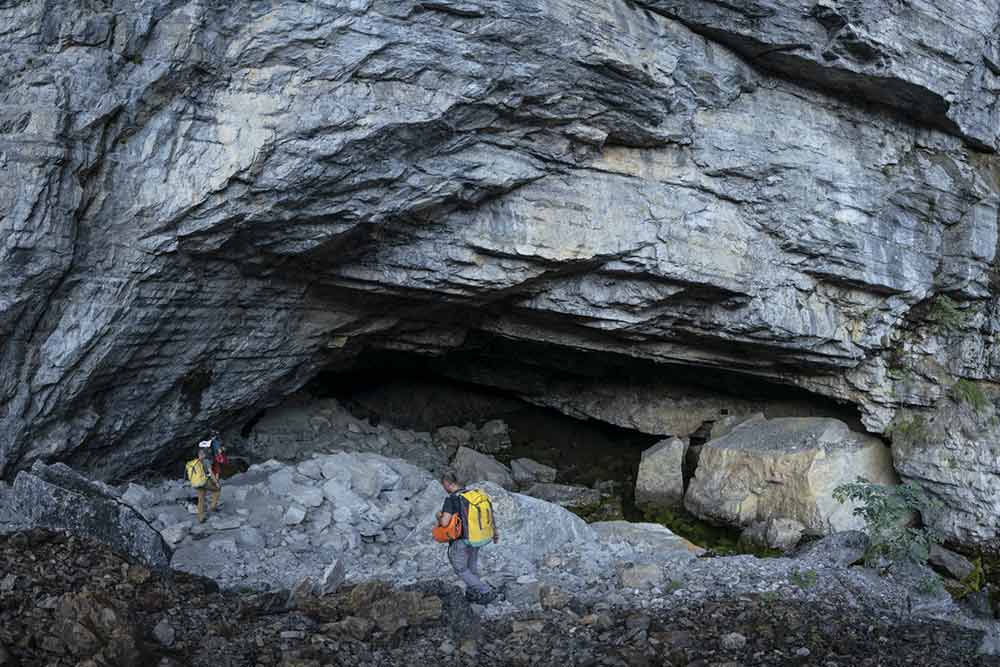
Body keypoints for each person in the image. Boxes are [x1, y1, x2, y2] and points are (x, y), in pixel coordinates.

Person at [437, 469, 500, 604]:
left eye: (443, 484)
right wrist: (495, 532)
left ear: (448, 483)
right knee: (471, 565)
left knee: (460, 569)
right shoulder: (474, 495)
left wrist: (439, 516)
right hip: (478, 537)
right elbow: (489, 514)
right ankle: (473, 592)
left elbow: (444, 522)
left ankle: (485, 591)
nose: (444, 487)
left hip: (462, 540)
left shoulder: (452, 499)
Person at [194, 440, 221, 523]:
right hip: (205, 481)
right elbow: (211, 473)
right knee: (217, 490)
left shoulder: (196, 461)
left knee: (201, 499)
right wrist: (216, 482)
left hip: (197, 481)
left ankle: (200, 518)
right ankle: (213, 506)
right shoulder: (206, 461)